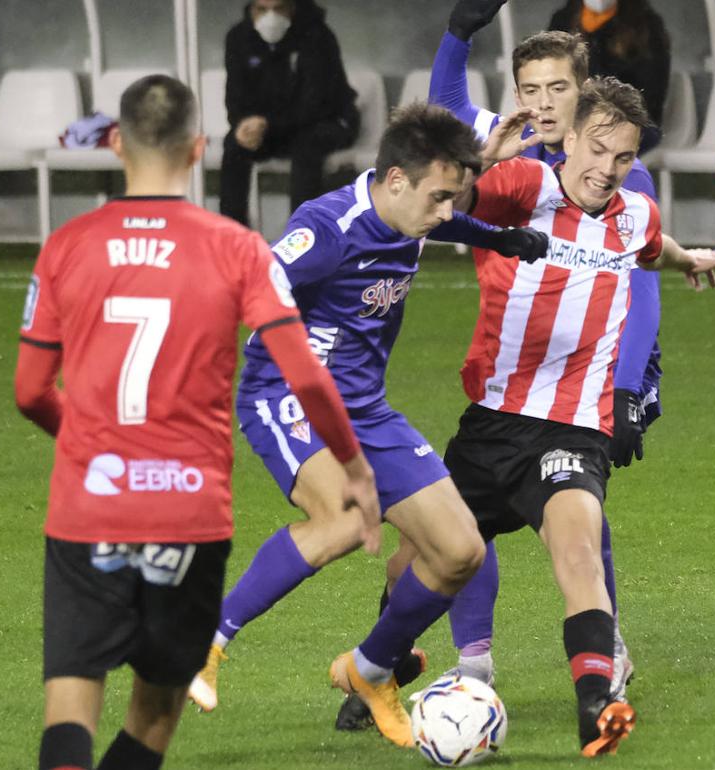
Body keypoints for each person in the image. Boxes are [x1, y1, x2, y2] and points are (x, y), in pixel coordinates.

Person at [15, 74, 378, 770]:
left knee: (70, 705)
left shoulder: (67, 245)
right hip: (187, 509)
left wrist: (94, 445)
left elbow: (31, 391)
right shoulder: (236, 248)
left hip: (90, 502)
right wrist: (355, 468)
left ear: (116, 143)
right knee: (155, 710)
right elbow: (303, 372)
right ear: (199, 148)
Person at [187, 102, 551, 748]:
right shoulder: (326, 228)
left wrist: (500, 238)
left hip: (365, 409)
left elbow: (447, 216)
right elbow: (248, 288)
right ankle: (207, 642)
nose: (445, 214)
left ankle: (370, 669)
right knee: (342, 521)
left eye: (453, 199)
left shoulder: (411, 206)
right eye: (438, 198)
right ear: (394, 182)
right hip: (288, 395)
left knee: (461, 549)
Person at [379, 2, 669, 706]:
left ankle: (602, 649)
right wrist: (457, 32)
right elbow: (444, 112)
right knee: (434, 547)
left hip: (586, 379)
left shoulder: (615, 173)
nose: (542, 104)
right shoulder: (511, 152)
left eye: (558, 90)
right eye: (530, 90)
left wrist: (629, 387)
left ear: (586, 90)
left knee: (574, 512)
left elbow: (643, 275)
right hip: (503, 379)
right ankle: (414, 662)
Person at [446, 76, 715, 757]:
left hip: (575, 425)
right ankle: (380, 669)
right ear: (568, 139)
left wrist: (687, 257)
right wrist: (479, 165)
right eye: (598, 150)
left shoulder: (634, 212)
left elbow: (650, 247)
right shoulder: (522, 187)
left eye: (625, 157)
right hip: (491, 420)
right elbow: (448, 206)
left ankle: (596, 703)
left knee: (579, 551)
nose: (608, 169)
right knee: (423, 564)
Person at [219, 0, 360, 227]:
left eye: (279, 8)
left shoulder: (317, 36)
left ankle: (302, 237)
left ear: (293, 7)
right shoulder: (238, 37)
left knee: (307, 145)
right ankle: (232, 237)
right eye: (262, 10)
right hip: (274, 128)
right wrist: (243, 125)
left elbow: (315, 104)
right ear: (251, 9)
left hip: (327, 121)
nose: (271, 17)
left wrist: (267, 124)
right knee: (234, 144)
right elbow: (234, 96)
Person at [548, 0, 671, 154]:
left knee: (592, 148)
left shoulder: (646, 25)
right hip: (573, 120)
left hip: (630, 121)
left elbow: (652, 94)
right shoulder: (563, 20)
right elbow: (551, 77)